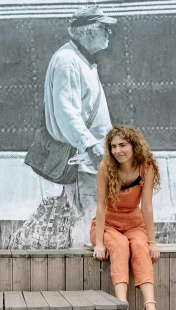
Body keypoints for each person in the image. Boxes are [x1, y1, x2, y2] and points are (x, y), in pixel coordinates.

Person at [15, 5, 115, 249]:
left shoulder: (78, 59)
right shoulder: (68, 61)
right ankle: (85, 283)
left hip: (92, 162)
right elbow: (66, 112)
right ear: (87, 32)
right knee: (88, 223)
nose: (109, 33)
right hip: (85, 161)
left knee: (95, 221)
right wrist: (91, 146)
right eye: (104, 28)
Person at [91, 125, 165, 310]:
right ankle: (123, 306)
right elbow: (100, 206)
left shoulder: (146, 167)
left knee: (140, 246)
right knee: (120, 245)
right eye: (113, 146)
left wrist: (152, 242)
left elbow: (147, 206)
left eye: (123, 145)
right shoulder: (105, 167)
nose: (118, 151)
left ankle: (150, 307)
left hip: (134, 222)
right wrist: (99, 243)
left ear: (134, 146)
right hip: (108, 224)